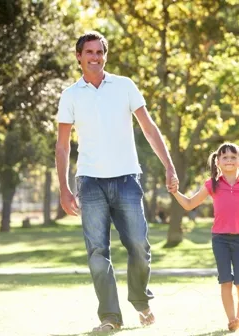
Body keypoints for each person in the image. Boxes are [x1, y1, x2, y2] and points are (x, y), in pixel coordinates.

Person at [55, 31, 178, 332]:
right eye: (89, 52)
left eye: (100, 52)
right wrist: (64, 188)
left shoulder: (124, 86)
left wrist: (169, 166)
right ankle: (110, 316)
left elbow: (149, 129)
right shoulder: (71, 95)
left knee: (138, 244)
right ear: (79, 57)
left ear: (105, 55)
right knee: (98, 252)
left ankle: (140, 298)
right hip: (90, 182)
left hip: (126, 179)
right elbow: (62, 144)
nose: (95, 57)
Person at [170, 142, 239, 332]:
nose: (229, 160)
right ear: (218, 161)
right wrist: (175, 192)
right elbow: (189, 204)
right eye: (225, 157)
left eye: (233, 157)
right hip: (219, 239)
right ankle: (232, 319)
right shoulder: (212, 184)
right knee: (225, 281)